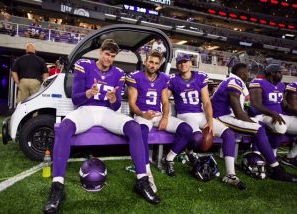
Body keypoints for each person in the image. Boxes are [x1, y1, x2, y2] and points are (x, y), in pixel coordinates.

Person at [44, 39, 160, 213]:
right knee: (64, 127)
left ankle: (142, 181)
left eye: (113, 56)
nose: (109, 59)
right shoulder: (84, 66)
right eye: (107, 54)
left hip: (106, 113)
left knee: (135, 128)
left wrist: (114, 100)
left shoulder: (119, 73)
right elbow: (76, 99)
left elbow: (115, 107)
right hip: (86, 110)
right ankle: (57, 186)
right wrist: (88, 93)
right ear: (100, 52)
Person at [169, 54, 246, 189]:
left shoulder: (200, 77)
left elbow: (206, 102)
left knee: (228, 134)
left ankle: (230, 174)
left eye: (185, 61)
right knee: (197, 137)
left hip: (200, 114)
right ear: (177, 65)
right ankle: (189, 151)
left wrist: (210, 121)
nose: (182, 65)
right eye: (180, 62)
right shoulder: (173, 80)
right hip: (185, 115)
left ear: (190, 63)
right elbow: (164, 98)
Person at [212, 63, 296, 182]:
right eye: (247, 72)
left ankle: (260, 156)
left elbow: (239, 109)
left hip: (226, 115)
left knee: (258, 125)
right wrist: (250, 121)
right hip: (221, 116)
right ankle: (275, 168)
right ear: (241, 73)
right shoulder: (235, 81)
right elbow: (238, 112)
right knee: (258, 129)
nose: (249, 74)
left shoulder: (235, 80)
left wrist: (249, 119)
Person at [126, 50, 193, 179]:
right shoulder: (135, 76)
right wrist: (142, 114)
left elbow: (165, 101)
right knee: (142, 132)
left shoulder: (163, 78)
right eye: (151, 62)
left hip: (157, 114)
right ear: (146, 62)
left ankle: (169, 158)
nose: (153, 65)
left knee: (186, 129)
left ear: (159, 65)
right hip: (142, 115)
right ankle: (146, 169)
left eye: (156, 63)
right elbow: (132, 104)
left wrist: (165, 117)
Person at [249, 64, 297, 157]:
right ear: (272, 73)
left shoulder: (281, 85)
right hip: (261, 115)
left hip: (278, 115)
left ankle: (277, 154)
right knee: (280, 127)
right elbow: (256, 105)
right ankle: (257, 154)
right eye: (279, 72)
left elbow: (286, 106)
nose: (282, 75)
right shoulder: (258, 82)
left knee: (280, 124)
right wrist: (272, 113)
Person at [277, 82, 297, 168]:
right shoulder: (294, 86)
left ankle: (292, 156)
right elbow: (292, 108)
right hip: (285, 117)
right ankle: (290, 157)